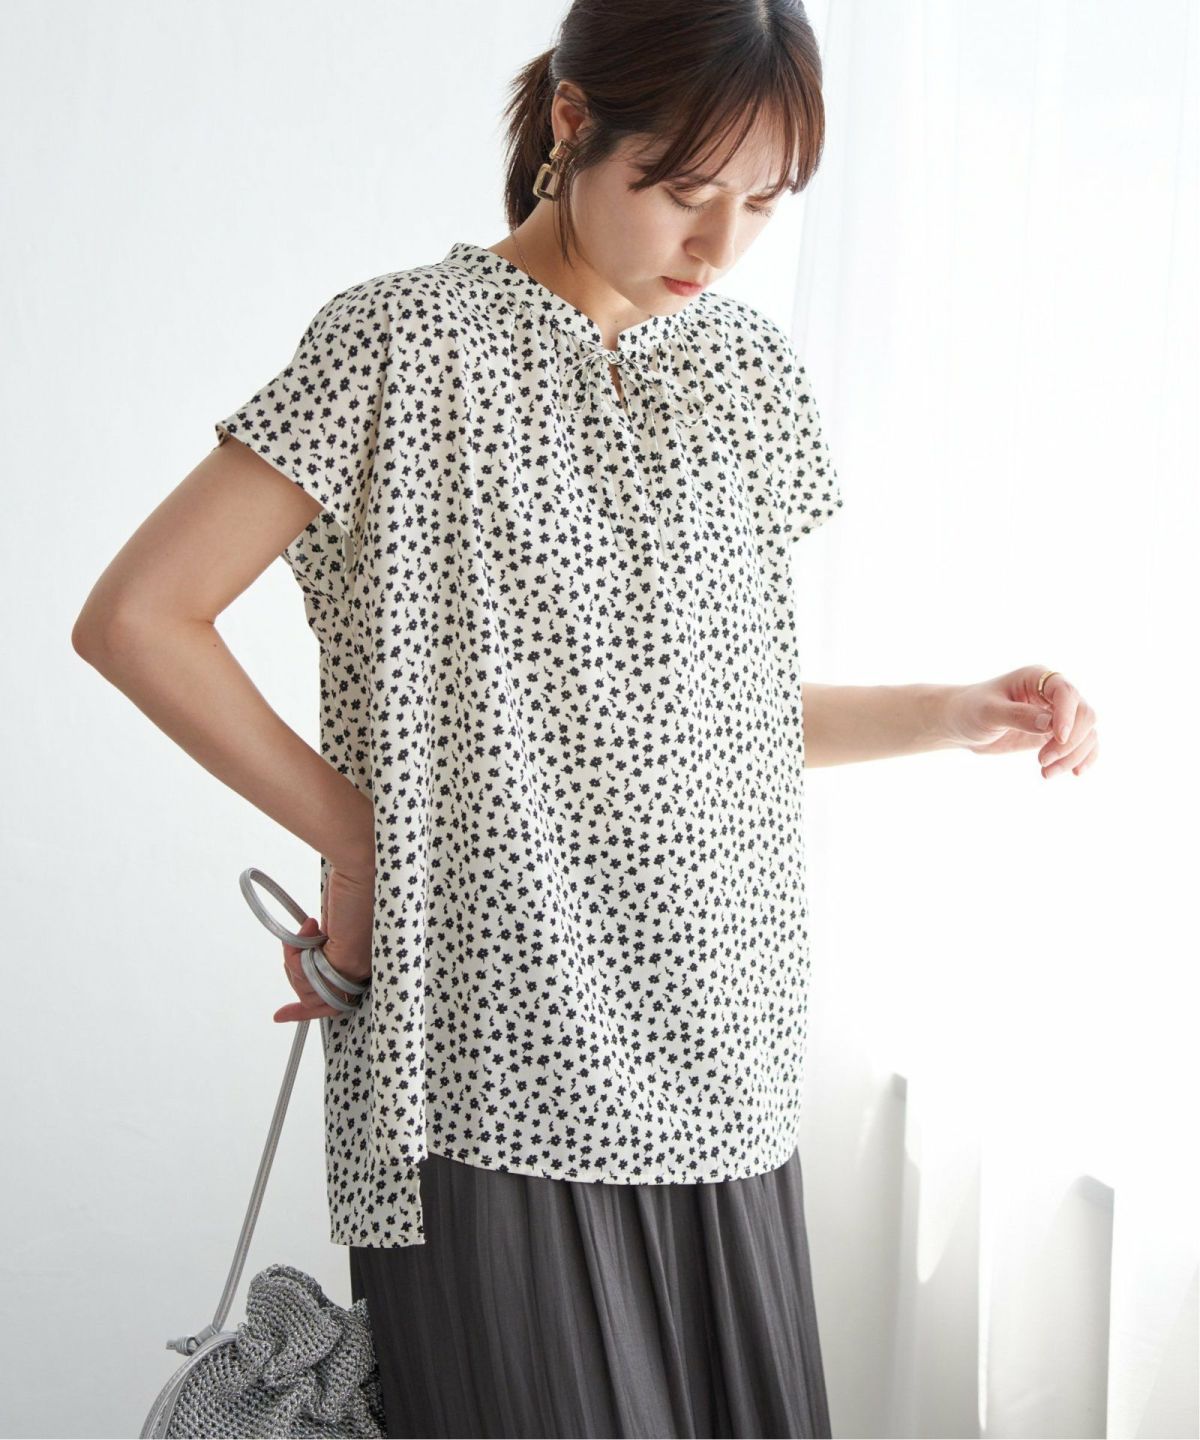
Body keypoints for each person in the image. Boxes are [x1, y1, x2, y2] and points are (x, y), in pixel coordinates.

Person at [71, 1, 1100, 1435]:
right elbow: (138, 618)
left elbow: (696, 716)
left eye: (764, 203)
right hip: (489, 1050)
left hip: (723, 1049)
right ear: (571, 122)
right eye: (683, 190)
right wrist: (362, 844)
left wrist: (952, 711)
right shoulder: (400, 344)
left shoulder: (747, 375)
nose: (720, 245)